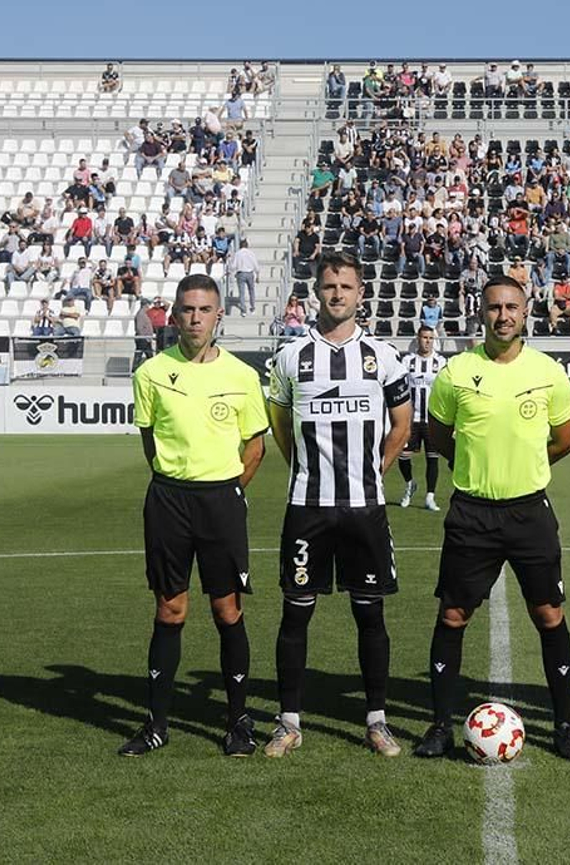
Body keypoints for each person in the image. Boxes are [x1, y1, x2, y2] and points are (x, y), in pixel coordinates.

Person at [414, 275, 570, 761]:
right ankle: (440, 726)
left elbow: (564, 439)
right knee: (453, 615)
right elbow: (441, 436)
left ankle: (565, 725)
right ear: (482, 312)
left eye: (512, 306)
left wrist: (524, 469)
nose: (503, 315)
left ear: (525, 310)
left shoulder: (549, 372)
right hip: (471, 514)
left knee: (549, 615)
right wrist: (477, 469)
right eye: (494, 307)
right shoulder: (455, 372)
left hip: (529, 511)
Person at [262, 252, 413, 758]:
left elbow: (401, 426)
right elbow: (281, 426)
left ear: (361, 293)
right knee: (296, 614)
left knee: (370, 616)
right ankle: (288, 722)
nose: (337, 294)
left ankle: (376, 720)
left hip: (365, 507)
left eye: (346, 286)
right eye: (329, 286)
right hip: (308, 507)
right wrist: (305, 468)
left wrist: (373, 473)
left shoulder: (383, 356)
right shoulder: (291, 357)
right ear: (316, 292)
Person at [117, 273, 270, 759]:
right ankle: (157, 724)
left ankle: (238, 723)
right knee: (170, 609)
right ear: (175, 315)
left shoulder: (243, 376)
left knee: (227, 610)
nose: (196, 318)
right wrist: (178, 483)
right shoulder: (151, 374)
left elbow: (256, 446)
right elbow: (150, 443)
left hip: (221, 502)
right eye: (187, 310)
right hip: (168, 501)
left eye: (205, 310)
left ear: (219, 315)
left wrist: (224, 490)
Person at [398, 325, 448, 511]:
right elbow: (400, 387)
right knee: (403, 456)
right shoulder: (408, 361)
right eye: (424, 337)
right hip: (412, 419)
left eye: (430, 338)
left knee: (432, 458)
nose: (427, 341)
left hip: (431, 418)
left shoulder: (440, 362)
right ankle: (410, 484)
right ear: (417, 339)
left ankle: (430, 497)